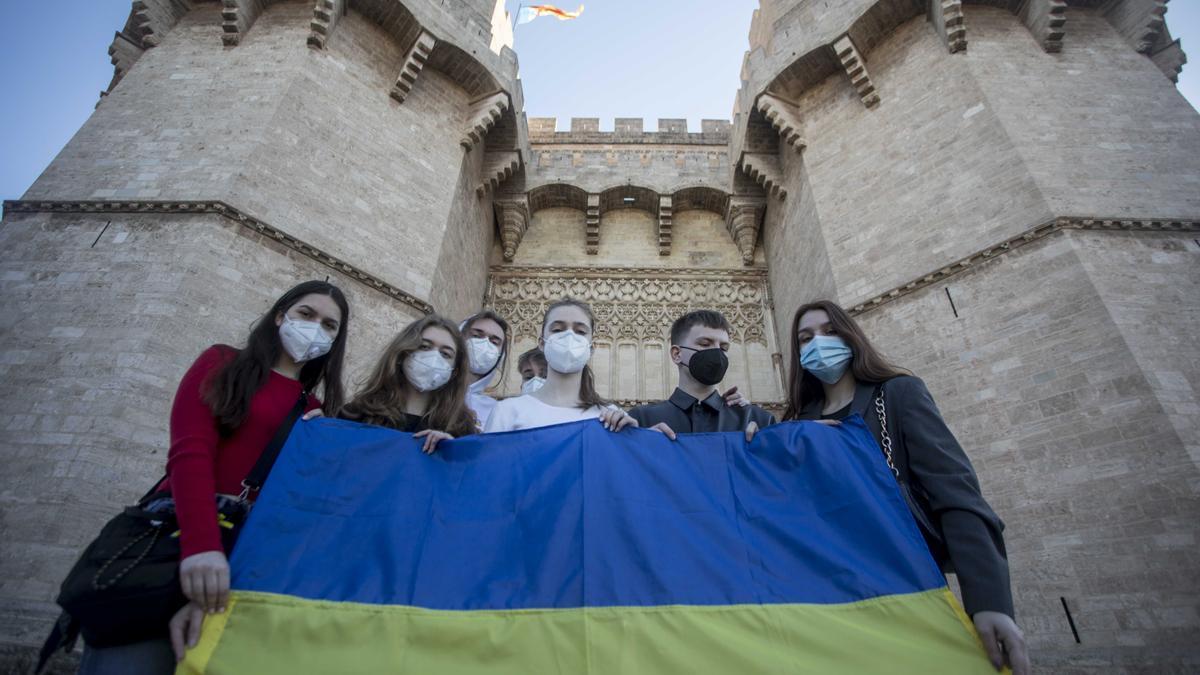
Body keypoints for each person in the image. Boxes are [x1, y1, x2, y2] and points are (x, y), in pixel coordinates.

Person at [782, 300, 1028, 675]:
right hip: (825, 597)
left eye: (830, 332)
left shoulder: (896, 395)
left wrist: (989, 601)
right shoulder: (796, 421)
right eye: (805, 338)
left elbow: (956, 493)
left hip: (902, 583)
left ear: (850, 336)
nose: (819, 342)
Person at [124, 280, 349, 672]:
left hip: (243, 562)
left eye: (329, 325)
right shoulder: (222, 362)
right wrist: (201, 546)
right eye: (306, 314)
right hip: (181, 539)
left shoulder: (314, 409)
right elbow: (190, 453)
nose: (315, 328)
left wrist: (322, 446)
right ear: (281, 315)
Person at [484, 299, 636, 433]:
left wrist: (633, 436)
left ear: (591, 348)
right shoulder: (507, 412)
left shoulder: (610, 416)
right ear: (542, 343)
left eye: (580, 331)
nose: (569, 336)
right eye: (557, 330)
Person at [629, 310, 775, 441]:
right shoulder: (642, 420)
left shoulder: (757, 420)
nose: (717, 353)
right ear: (677, 354)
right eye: (705, 344)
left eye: (723, 348)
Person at [338, 314, 478, 450]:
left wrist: (453, 450)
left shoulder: (463, 431)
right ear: (402, 353)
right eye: (424, 346)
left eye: (445, 354)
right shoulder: (358, 413)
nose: (434, 357)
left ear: (454, 371)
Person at [460, 310, 511, 429]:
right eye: (477, 336)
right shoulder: (430, 396)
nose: (485, 344)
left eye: (494, 342)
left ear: (500, 355)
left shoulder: (498, 411)